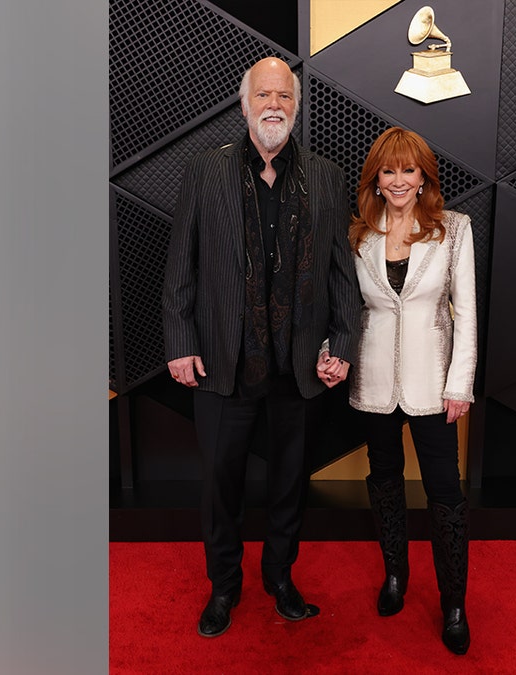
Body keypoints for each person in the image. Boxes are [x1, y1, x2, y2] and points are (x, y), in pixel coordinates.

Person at [162, 56, 361, 639]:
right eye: (264, 94)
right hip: (224, 363)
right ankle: (224, 587)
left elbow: (340, 272)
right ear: (244, 104)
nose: (274, 103)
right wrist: (179, 341)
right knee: (221, 483)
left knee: (289, 482)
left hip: (299, 368)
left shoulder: (325, 176)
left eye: (285, 96)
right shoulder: (205, 172)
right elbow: (181, 266)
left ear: (295, 107)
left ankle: (281, 578)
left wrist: (344, 343)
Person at [346, 127, 477, 655]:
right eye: (389, 171)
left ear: (424, 176)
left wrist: (460, 384)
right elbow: (347, 307)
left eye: (409, 170)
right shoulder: (359, 232)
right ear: (376, 179)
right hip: (373, 379)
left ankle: (453, 603)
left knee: (445, 494)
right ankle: (395, 575)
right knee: (383, 481)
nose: (399, 181)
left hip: (434, 384)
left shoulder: (454, 229)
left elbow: (465, 313)